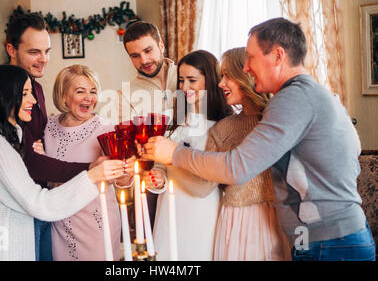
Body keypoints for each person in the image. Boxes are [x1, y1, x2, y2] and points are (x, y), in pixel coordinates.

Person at [143, 17, 376, 261]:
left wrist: (174, 154)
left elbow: (237, 167)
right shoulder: (314, 92)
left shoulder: (291, 100)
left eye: (251, 57)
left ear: (277, 56)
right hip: (322, 237)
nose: (246, 67)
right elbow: (354, 149)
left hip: (327, 242)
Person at [0, 65, 127, 261]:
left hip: (90, 226)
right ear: (5, 95)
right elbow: (39, 203)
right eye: (25, 93)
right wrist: (92, 174)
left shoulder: (3, 137)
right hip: (3, 248)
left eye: (93, 91)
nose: (34, 100)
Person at [5, 13, 95, 261]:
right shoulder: (4, 95)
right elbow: (29, 162)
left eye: (47, 51)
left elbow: (38, 148)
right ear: (11, 49)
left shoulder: (37, 89)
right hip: (21, 208)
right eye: (35, 52)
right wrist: (91, 169)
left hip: (46, 204)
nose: (43, 59)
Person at [39, 65, 133, 260]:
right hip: (60, 222)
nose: (88, 98)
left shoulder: (106, 129)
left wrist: (127, 172)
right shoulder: (47, 126)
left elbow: (122, 180)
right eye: (80, 91)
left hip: (96, 225)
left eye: (93, 91)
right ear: (63, 96)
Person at [208, 47, 290, 260]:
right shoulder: (221, 130)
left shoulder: (278, 121)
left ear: (245, 75)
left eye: (227, 75)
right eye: (220, 76)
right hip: (235, 222)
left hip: (278, 221)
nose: (220, 84)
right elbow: (206, 180)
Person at [150, 50, 232, 260]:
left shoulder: (222, 126)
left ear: (211, 80)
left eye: (192, 80)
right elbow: (160, 166)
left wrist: (170, 159)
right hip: (170, 207)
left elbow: (204, 186)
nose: (184, 87)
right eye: (181, 80)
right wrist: (158, 177)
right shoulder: (175, 119)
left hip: (200, 210)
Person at [118, 21, 178, 227]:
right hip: (152, 183)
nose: (144, 60)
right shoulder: (126, 94)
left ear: (161, 46)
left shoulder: (187, 76)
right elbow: (128, 149)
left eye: (148, 50)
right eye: (135, 55)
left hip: (193, 175)